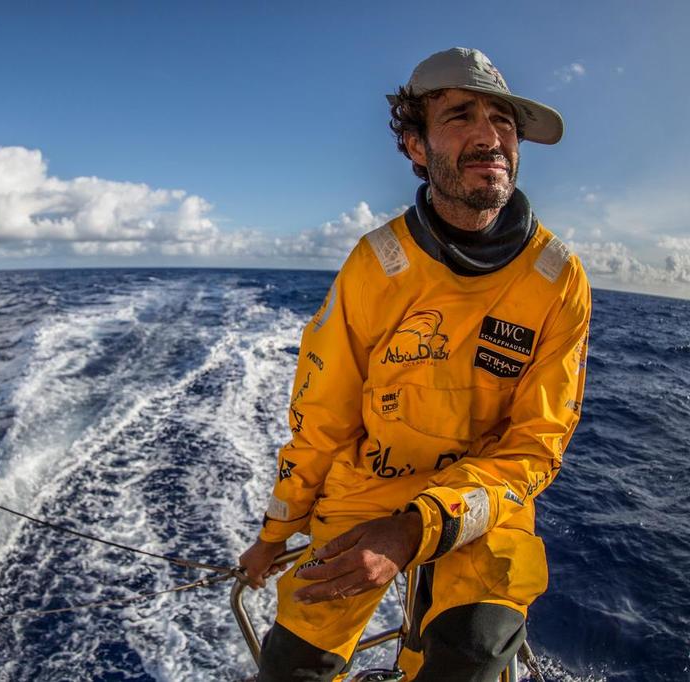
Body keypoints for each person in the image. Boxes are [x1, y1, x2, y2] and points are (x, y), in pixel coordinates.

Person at [239, 47, 591, 681]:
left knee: (474, 651)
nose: (491, 138)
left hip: (485, 494)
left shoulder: (558, 278)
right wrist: (277, 530)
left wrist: (414, 530)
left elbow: (536, 446)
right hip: (370, 484)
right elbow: (322, 417)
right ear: (416, 146)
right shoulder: (375, 266)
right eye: (460, 116)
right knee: (291, 666)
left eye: (504, 121)